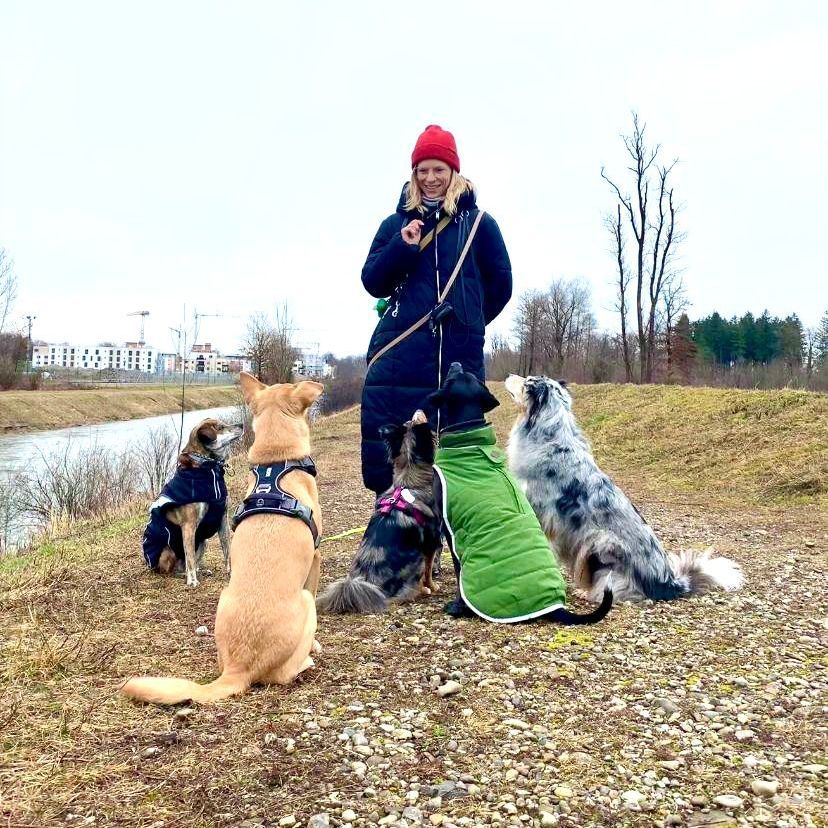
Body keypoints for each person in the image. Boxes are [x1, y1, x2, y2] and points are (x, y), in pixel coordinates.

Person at [360, 124, 513, 494]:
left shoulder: (480, 226)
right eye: (423, 170)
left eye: (439, 170)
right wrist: (402, 246)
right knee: (397, 483)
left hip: (457, 364)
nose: (431, 179)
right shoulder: (395, 225)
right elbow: (372, 282)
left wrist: (467, 323)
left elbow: (501, 287)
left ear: (453, 173)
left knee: (457, 480)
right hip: (400, 361)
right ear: (414, 174)